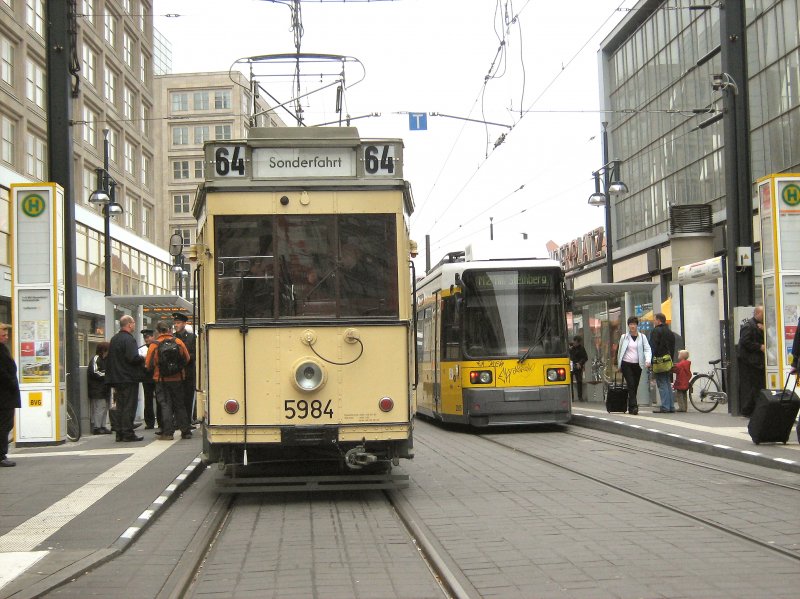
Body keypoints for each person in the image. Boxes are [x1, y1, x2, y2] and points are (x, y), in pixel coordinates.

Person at [146, 320, 192, 440]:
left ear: (157, 331)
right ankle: (186, 431)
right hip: (178, 379)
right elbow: (187, 358)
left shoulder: (154, 345)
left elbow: (148, 364)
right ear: (169, 330)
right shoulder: (178, 342)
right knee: (180, 405)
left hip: (161, 380)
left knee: (166, 405)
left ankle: (168, 433)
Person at [105, 315, 145, 442]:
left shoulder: (114, 339)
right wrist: (142, 358)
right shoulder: (129, 340)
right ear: (129, 324)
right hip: (128, 378)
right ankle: (128, 432)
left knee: (120, 406)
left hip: (116, 378)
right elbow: (132, 358)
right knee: (129, 405)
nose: (134, 325)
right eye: (133, 323)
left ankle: (119, 432)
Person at [616, 316, 652, 415]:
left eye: (634, 324)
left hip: (638, 364)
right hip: (626, 364)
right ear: (628, 325)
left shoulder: (642, 337)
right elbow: (619, 351)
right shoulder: (624, 337)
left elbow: (647, 349)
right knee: (631, 383)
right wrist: (619, 365)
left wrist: (648, 360)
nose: (632, 326)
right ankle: (634, 406)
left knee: (634, 385)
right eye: (630, 324)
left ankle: (631, 406)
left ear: (637, 325)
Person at [737, 305, 765, 417]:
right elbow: (745, 342)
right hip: (751, 361)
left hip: (756, 361)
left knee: (757, 386)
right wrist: (759, 347)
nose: (764, 317)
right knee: (755, 386)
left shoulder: (759, 325)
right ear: (757, 313)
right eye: (763, 314)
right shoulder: (749, 326)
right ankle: (748, 410)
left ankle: (749, 409)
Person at [0, 323, 20, 467]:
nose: (6, 337)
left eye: (7, 334)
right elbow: (3, 373)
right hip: (4, 395)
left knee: (6, 425)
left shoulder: (3, 349)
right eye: (3, 335)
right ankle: (1, 455)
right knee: (4, 425)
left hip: (6, 394)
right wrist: (12, 383)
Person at [173, 312, 197, 425]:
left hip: (188, 372)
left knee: (188, 398)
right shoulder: (172, 338)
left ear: (184, 324)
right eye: (175, 323)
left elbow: (195, 354)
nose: (176, 325)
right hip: (175, 373)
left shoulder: (192, 337)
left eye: (178, 323)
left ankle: (187, 421)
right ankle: (178, 421)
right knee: (177, 399)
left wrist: (184, 357)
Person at [650, 312, 676, 413]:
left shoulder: (656, 331)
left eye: (654, 319)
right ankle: (671, 406)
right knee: (667, 382)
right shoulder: (669, 332)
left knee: (661, 383)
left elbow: (653, 347)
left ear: (658, 320)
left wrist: (651, 360)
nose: (653, 321)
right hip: (668, 361)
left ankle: (665, 406)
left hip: (659, 361)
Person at [87, 342, 112, 434]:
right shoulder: (96, 359)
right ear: (104, 350)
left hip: (104, 388)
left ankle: (102, 426)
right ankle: (97, 427)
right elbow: (94, 372)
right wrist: (107, 375)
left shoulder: (106, 359)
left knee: (104, 407)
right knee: (99, 408)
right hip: (97, 388)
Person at [139, 330, 160, 431]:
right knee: (148, 400)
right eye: (145, 338)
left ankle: (161, 421)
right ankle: (149, 422)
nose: (146, 339)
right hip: (146, 377)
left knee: (159, 399)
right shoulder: (141, 350)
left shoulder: (158, 346)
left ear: (153, 337)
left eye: (148, 337)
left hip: (156, 376)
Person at [569, 336, 588, 401]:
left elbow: (585, 357)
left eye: (576, 342)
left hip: (578, 366)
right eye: (574, 342)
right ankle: (571, 397)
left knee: (579, 381)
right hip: (571, 365)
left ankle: (580, 397)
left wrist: (580, 363)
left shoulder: (581, 348)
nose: (574, 343)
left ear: (578, 343)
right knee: (570, 381)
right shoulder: (571, 348)